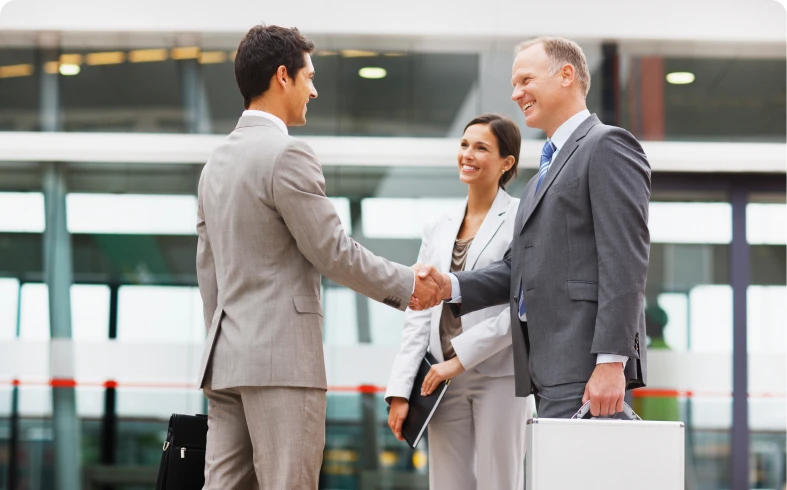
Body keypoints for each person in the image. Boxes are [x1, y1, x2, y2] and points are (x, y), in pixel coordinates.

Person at [195, 25, 444, 489]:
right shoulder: (286, 155)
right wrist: (408, 285)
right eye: (309, 76)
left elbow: (208, 272)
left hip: (226, 360)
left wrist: (226, 340)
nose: (315, 88)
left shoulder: (215, 166)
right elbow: (332, 251)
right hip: (283, 362)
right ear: (282, 76)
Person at [416, 36, 651, 419]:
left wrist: (611, 363)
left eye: (525, 80)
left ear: (566, 75)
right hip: (546, 367)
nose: (515, 94)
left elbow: (625, 260)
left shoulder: (607, 145)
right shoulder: (543, 173)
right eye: (514, 84)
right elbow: (519, 269)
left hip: (585, 364)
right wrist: (450, 285)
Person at [386, 114, 535, 490]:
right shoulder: (438, 225)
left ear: (507, 163)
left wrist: (460, 360)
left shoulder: (522, 219)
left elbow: (520, 306)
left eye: (481, 147)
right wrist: (401, 390)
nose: (467, 154)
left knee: (498, 483)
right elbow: (418, 312)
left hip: (497, 375)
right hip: (438, 379)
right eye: (465, 144)